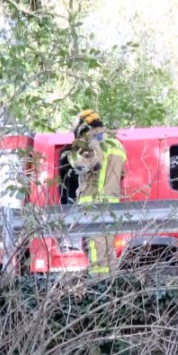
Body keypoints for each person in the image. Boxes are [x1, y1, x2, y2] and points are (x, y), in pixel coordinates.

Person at [67, 110, 125, 276]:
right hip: (112, 206)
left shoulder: (94, 143)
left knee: (96, 249)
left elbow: (88, 165)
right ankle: (112, 283)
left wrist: (73, 155)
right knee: (107, 250)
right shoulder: (117, 144)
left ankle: (98, 284)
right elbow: (122, 174)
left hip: (94, 206)